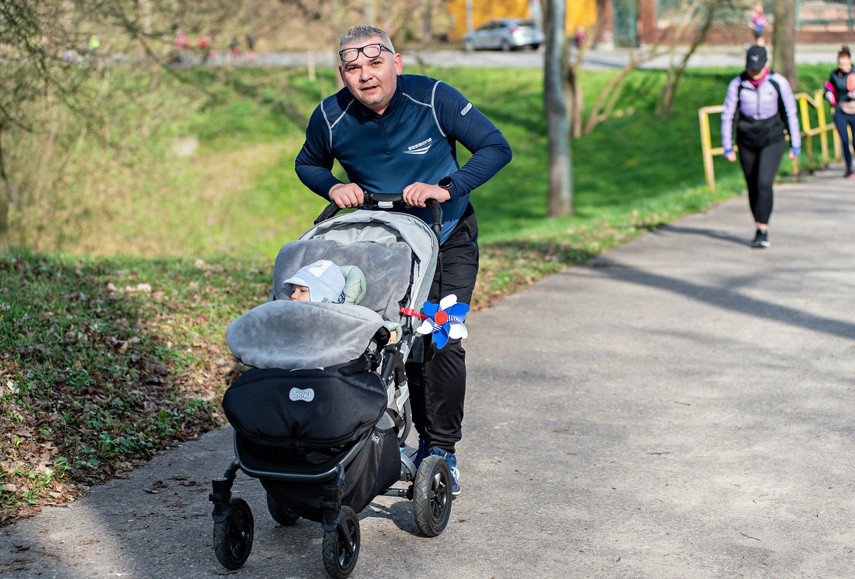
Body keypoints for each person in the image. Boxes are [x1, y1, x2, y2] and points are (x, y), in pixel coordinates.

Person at [295, 24, 512, 496]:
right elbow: (307, 162)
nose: (365, 76)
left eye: (375, 64)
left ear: (396, 62)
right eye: (353, 69)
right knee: (378, 340)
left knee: (438, 341)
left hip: (446, 237)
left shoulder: (434, 98)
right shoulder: (330, 117)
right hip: (381, 246)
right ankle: (365, 437)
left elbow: (497, 147)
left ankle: (441, 451)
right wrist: (333, 186)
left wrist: (447, 187)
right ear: (342, 74)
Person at [721, 45, 800, 249]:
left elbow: (790, 112)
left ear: (766, 64)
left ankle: (763, 229)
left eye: (757, 68)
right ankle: (757, 222)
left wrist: (795, 142)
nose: (754, 73)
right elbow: (728, 115)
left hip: (772, 137)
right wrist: (727, 146)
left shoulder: (778, 82)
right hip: (747, 139)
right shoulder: (737, 84)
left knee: (764, 182)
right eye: (751, 68)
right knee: (752, 185)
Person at [825, 45, 855, 178]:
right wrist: (828, 95)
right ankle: (849, 167)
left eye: (845, 63)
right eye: (840, 63)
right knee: (844, 141)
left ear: (850, 61)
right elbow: (828, 87)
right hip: (841, 111)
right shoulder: (834, 74)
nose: (843, 66)